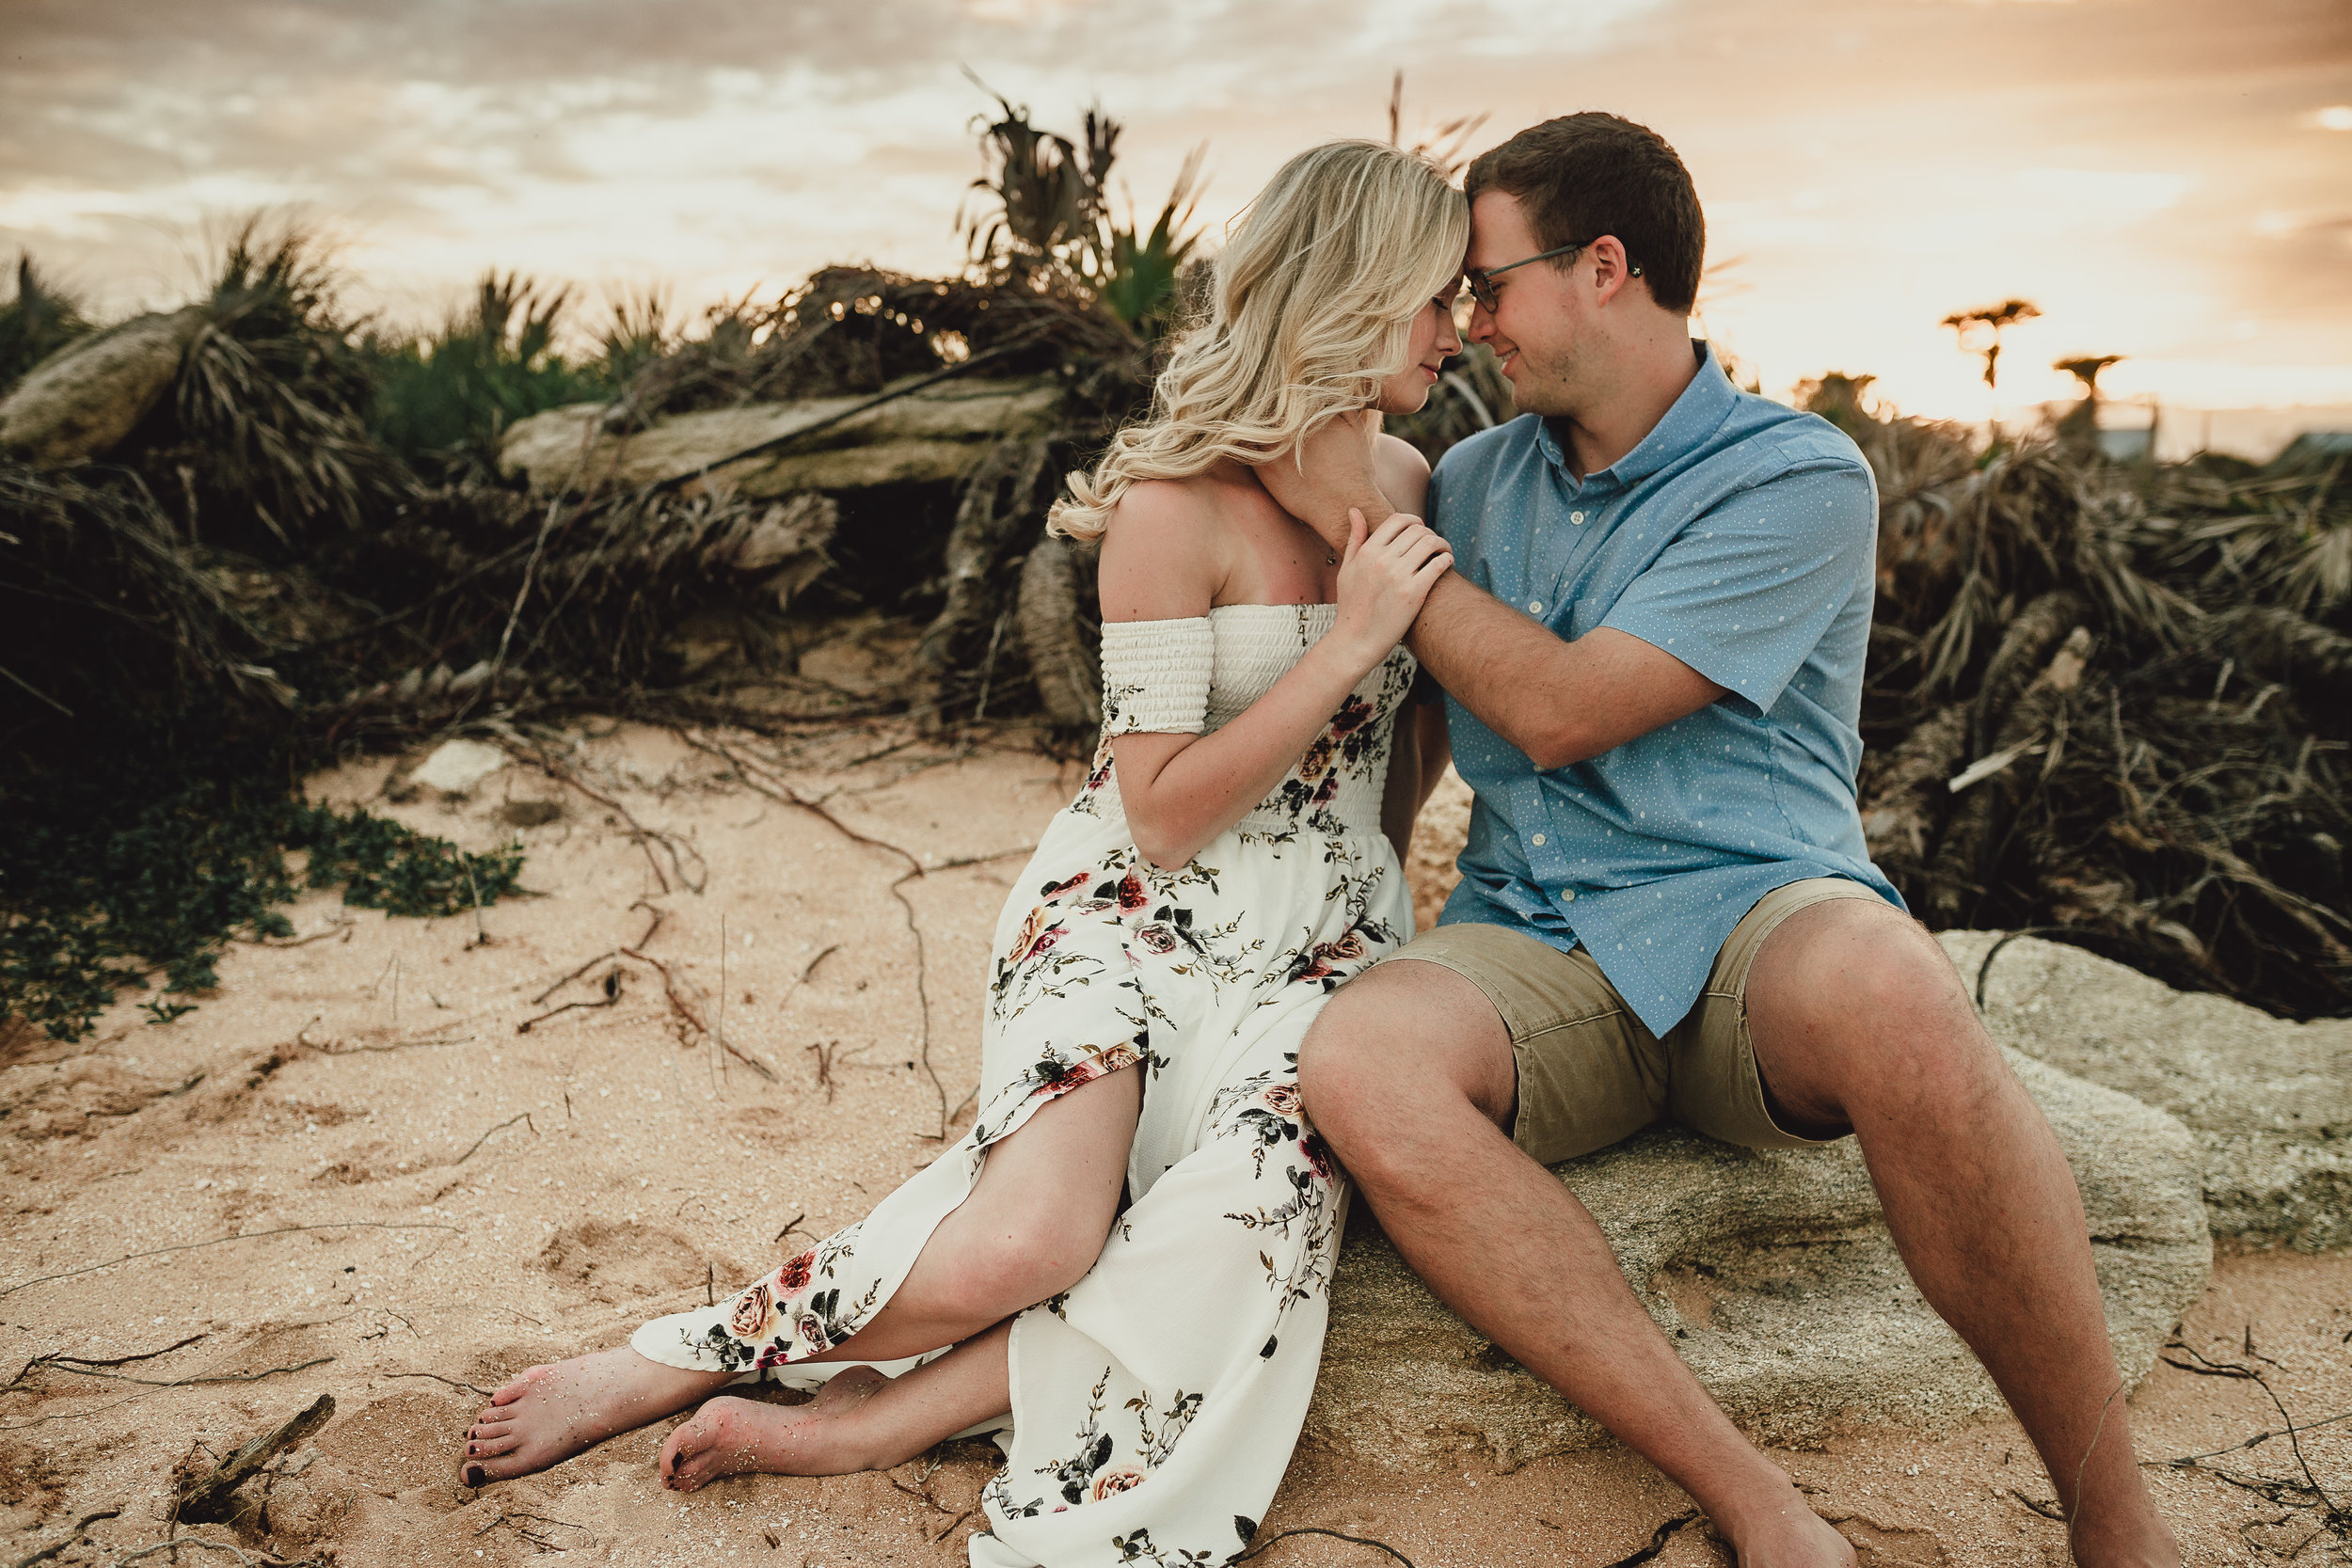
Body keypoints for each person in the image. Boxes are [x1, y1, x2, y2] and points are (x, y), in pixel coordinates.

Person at [455, 139, 1464, 1568]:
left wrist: (1389, 903)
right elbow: (1163, 809)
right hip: (1130, 907)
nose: (1457, 326)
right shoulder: (1170, 509)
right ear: (1357, 293)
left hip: (1326, 934)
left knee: (1244, 1219)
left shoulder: (1414, 475)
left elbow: (1400, 749)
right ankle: (684, 1353)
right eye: (1436, 295)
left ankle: (878, 1420)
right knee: (1027, 1244)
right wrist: (1354, 636)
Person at [1258, 114, 2185, 1568]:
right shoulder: (1474, 482)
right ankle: (1760, 1503)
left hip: (1755, 923)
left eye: (1489, 284)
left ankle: (2119, 1524)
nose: (1473, 321)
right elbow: (1412, 727)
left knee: (1898, 989)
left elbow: (1563, 711)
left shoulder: (1797, 480)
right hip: (1533, 939)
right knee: (1361, 1060)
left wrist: (1382, 559)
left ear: (1605, 268)